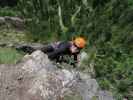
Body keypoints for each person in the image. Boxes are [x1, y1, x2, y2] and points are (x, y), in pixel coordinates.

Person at [16, 37, 86, 66]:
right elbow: (52, 54)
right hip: (53, 47)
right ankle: (24, 47)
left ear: (80, 49)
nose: (75, 49)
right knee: (36, 52)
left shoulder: (76, 51)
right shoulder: (65, 47)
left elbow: (75, 59)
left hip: (58, 52)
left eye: (78, 48)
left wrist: (74, 64)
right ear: (73, 43)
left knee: (57, 58)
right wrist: (42, 60)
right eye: (74, 45)